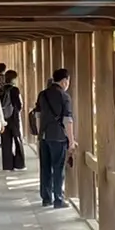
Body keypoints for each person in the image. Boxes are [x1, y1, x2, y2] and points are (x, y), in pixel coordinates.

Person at [36, 68, 75, 208]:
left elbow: (38, 116)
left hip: (44, 136)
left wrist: (40, 134)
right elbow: (67, 120)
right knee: (58, 168)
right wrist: (71, 141)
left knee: (45, 167)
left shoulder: (42, 94)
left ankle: (46, 198)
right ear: (64, 81)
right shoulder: (64, 97)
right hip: (58, 137)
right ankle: (58, 198)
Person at [0, 69, 25, 172]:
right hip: (13, 118)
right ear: (13, 79)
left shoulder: (1, 89)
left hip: (3, 119)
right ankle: (19, 164)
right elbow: (18, 105)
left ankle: (7, 165)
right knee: (18, 140)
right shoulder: (15, 90)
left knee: (6, 142)